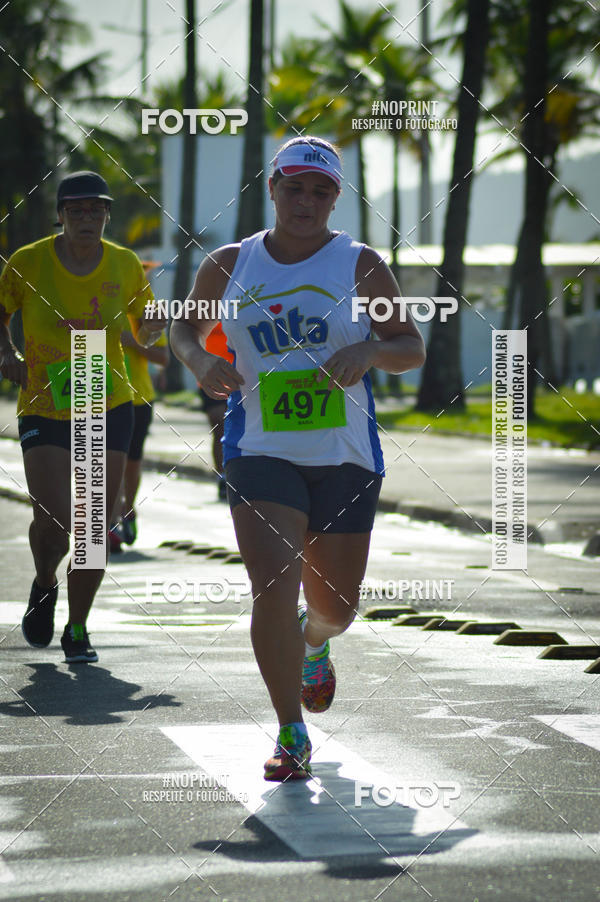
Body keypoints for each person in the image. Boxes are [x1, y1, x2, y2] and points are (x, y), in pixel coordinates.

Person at [170, 137, 425, 781]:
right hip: (258, 448)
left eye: (320, 190)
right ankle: (290, 731)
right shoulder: (229, 264)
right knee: (272, 588)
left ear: (335, 198)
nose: (305, 200)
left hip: (343, 454)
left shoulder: (360, 263)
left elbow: (409, 345)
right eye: (294, 187)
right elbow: (182, 328)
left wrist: (368, 354)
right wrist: (202, 360)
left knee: (337, 607)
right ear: (273, 189)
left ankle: (316, 641)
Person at [0, 171, 166, 662]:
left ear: (107, 215)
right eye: (77, 211)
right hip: (45, 401)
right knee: (51, 519)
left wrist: (157, 328)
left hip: (105, 396)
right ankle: (45, 580)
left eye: (96, 210)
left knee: (94, 524)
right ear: (61, 215)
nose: (87, 219)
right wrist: (7, 352)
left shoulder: (125, 263)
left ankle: (78, 627)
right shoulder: (28, 262)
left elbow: (146, 323)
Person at [109, 319, 169, 551]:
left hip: (138, 398)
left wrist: (132, 342)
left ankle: (128, 510)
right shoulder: (91, 301)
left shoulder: (141, 309)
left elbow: (163, 357)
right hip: (100, 396)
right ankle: (109, 524)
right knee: (106, 459)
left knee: (132, 462)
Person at [197, 322, 233, 501]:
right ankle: (222, 475)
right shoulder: (208, 299)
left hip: (240, 373)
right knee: (219, 423)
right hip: (211, 374)